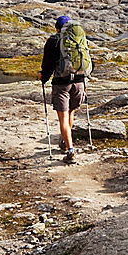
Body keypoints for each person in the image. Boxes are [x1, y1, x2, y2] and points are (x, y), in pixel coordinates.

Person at [38, 15, 86, 163]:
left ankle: (70, 149)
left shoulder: (53, 40)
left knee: (63, 118)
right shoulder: (79, 39)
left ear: (57, 27)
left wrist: (43, 77)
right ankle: (65, 142)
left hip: (61, 83)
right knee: (70, 113)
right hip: (79, 82)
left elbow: (48, 64)